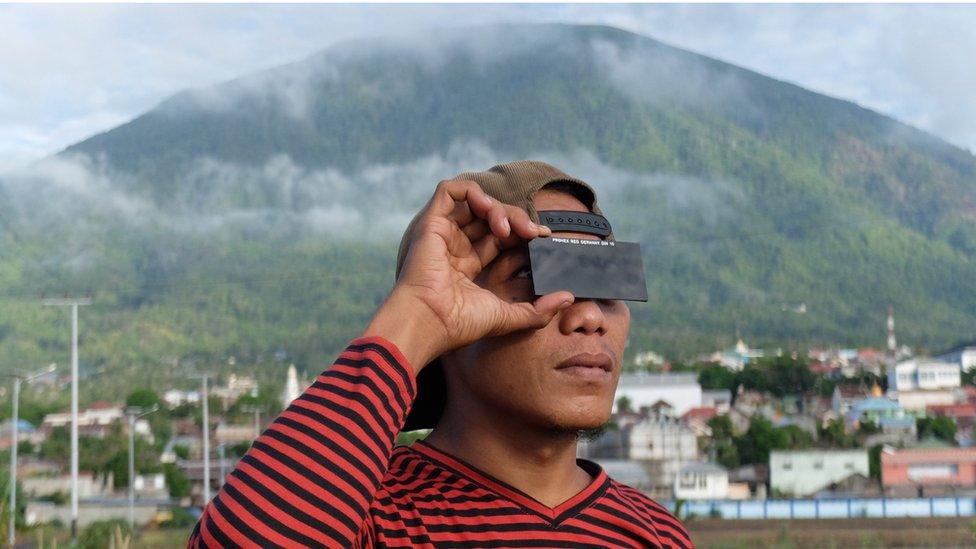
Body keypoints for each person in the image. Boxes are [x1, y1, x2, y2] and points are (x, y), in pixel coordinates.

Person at [189, 161, 693, 548]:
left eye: (606, 283)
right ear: (457, 312)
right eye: (536, 276)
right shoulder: (366, 519)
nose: (589, 316)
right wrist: (420, 311)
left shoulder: (656, 534)